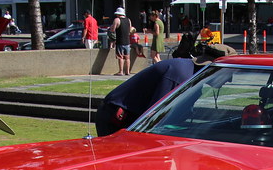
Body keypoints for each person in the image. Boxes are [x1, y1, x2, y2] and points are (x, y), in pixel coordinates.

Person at [95, 43, 236, 136]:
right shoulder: (180, 76)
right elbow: (155, 118)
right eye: (228, 74)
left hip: (132, 119)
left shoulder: (192, 79)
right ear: (213, 70)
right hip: (116, 119)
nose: (229, 80)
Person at [108, 7, 132, 76]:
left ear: (118, 14)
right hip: (127, 41)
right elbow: (130, 29)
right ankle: (127, 71)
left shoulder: (117, 20)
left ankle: (121, 71)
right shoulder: (128, 20)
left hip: (120, 41)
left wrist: (110, 29)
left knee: (120, 57)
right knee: (127, 58)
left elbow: (112, 29)